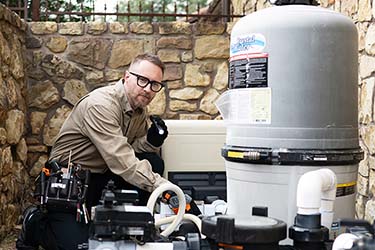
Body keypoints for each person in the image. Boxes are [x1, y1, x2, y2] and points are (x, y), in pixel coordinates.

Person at [17, 53, 171, 250]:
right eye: (143, 80)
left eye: (155, 85)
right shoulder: (101, 105)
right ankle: (36, 225)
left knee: (152, 161)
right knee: (82, 246)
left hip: (102, 176)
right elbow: (123, 161)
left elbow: (129, 150)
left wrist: (150, 142)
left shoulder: (139, 110)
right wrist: (166, 189)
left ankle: (131, 226)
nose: (148, 89)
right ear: (127, 76)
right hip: (69, 183)